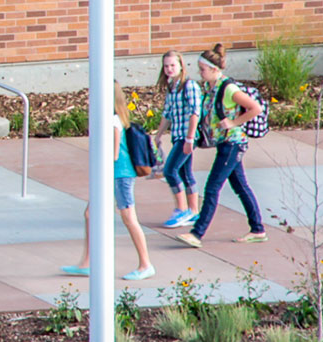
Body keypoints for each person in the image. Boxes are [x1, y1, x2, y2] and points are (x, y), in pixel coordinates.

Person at [63, 82, 156, 280]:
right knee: (90, 214)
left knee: (129, 218)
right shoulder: (111, 119)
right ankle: (87, 262)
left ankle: (145, 264)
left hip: (121, 175)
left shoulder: (113, 121)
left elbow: (113, 155)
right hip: (110, 175)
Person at [181, 44, 266, 247]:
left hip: (233, 143)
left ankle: (197, 233)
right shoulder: (212, 87)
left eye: (202, 69)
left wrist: (233, 122)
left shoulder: (229, 88)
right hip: (225, 143)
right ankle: (258, 229)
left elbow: (255, 108)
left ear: (214, 69)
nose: (200, 73)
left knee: (212, 188)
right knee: (241, 187)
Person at [155, 51, 202, 230]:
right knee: (185, 173)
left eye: (172, 65)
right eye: (166, 66)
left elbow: (194, 113)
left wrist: (190, 138)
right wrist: (158, 134)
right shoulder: (172, 87)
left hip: (186, 137)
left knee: (170, 170)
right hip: (178, 135)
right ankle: (194, 211)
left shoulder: (189, 86)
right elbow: (167, 113)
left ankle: (182, 209)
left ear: (181, 66)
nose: (169, 69)